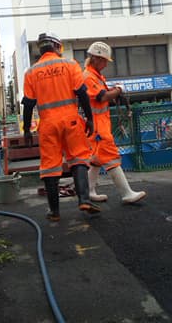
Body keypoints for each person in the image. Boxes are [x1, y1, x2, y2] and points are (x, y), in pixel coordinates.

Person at [22, 32, 101, 221]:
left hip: (48, 125)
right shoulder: (70, 64)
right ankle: (84, 200)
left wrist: (26, 130)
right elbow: (82, 93)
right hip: (71, 121)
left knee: (50, 166)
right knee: (78, 158)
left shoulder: (31, 72)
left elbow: (29, 104)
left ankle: (54, 212)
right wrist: (89, 118)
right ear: (57, 47)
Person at [83, 41, 146, 204]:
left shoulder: (95, 76)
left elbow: (102, 96)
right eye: (104, 61)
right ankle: (126, 193)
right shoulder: (89, 77)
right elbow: (102, 97)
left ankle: (88, 191)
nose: (105, 64)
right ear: (96, 58)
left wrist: (115, 91)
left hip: (98, 125)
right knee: (111, 157)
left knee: (96, 160)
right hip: (98, 128)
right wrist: (118, 90)